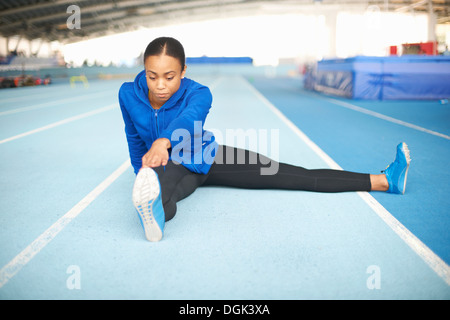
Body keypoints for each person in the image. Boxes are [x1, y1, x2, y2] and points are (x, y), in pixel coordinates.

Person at [118, 37, 411, 242]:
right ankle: (154, 214)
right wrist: (141, 173)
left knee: (291, 174)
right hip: (171, 164)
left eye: (169, 76)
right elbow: (133, 136)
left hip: (207, 157)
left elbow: (186, 122)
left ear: (183, 71)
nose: (159, 85)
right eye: (152, 75)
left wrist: (161, 143)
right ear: (144, 70)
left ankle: (384, 180)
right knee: (161, 195)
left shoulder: (199, 93)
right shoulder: (128, 94)